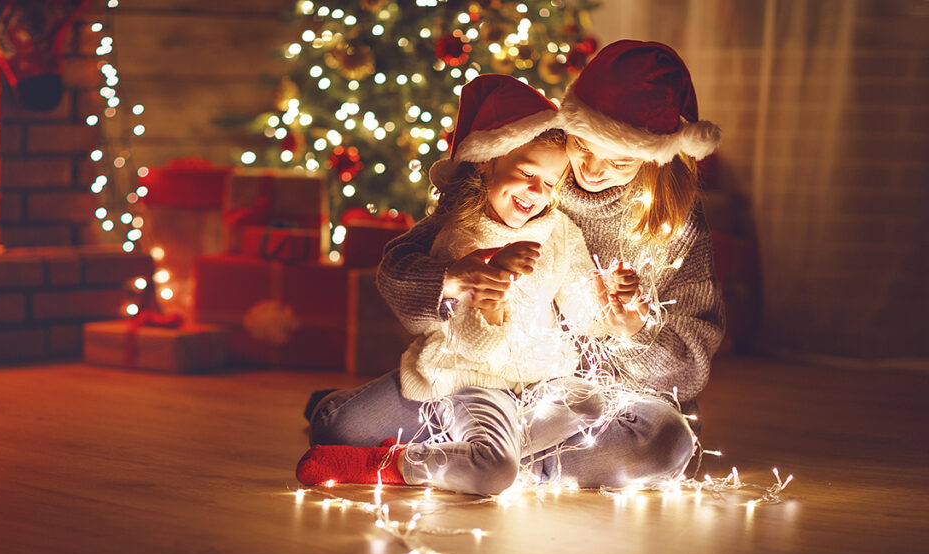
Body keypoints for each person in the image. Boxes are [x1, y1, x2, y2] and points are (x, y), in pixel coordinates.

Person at [302, 40, 723, 495]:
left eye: (618, 160)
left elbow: (689, 370)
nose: (592, 170)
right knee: (339, 433)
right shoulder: (530, 164)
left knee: (665, 444)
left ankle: (483, 461)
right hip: (481, 378)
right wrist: (454, 280)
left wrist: (633, 330)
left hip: (589, 404)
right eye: (582, 145)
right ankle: (491, 458)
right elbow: (404, 263)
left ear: (655, 154)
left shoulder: (673, 222)